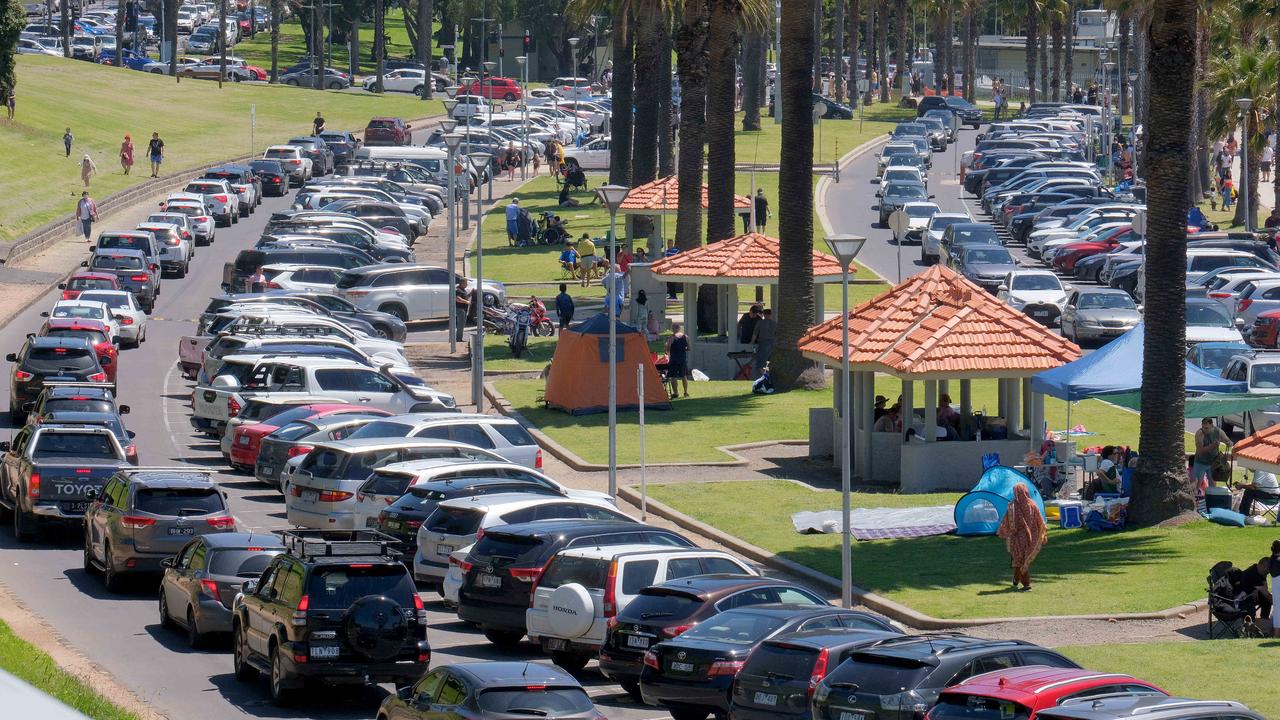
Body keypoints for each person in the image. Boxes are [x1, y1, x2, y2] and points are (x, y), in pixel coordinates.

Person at [997, 484, 1046, 592]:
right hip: (1031, 538)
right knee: (1021, 561)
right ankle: (1016, 579)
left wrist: (1003, 532)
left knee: (1020, 561)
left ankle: (1026, 584)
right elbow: (1040, 521)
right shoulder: (1033, 504)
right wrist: (1041, 534)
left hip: (1017, 539)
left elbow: (1008, 522)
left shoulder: (1013, 506)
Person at [1193, 417, 1232, 489]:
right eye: (1203, 427)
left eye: (1207, 428)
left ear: (1212, 426)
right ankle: (1194, 498)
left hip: (1213, 463)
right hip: (1200, 462)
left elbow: (1227, 440)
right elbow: (1200, 450)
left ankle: (1212, 498)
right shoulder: (1199, 433)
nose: (1204, 430)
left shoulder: (1218, 431)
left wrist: (1228, 443)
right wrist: (1212, 446)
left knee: (1213, 485)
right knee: (1196, 484)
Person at [1232, 556, 1273, 620]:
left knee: (1266, 600)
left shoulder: (1258, 570)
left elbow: (1265, 587)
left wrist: (1256, 589)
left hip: (1249, 593)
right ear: (1261, 565)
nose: (1269, 571)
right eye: (1268, 569)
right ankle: (1249, 626)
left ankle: (1264, 619)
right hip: (1240, 599)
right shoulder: (1253, 574)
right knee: (1251, 608)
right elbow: (1266, 594)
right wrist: (1277, 604)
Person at [750, 308, 776, 379]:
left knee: (761, 363)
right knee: (770, 362)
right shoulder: (774, 324)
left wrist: (752, 342)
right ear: (771, 315)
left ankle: (766, 378)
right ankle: (768, 376)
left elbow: (755, 333)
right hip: (773, 344)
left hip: (763, 344)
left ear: (764, 314)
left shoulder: (760, 322)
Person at [666, 324, 691, 398]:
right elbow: (689, 348)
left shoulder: (672, 338)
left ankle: (676, 393)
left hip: (674, 359)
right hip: (682, 359)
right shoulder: (686, 337)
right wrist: (682, 349)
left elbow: (668, 349)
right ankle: (685, 392)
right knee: (684, 376)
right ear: (679, 328)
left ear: (673, 329)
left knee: (674, 376)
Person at [454, 277, 471, 342]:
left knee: (463, 324)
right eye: (466, 283)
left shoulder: (463, 290)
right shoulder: (458, 290)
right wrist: (466, 302)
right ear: (462, 283)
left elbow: (465, 297)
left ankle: (460, 338)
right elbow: (458, 299)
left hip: (464, 309)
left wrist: (471, 293)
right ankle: (458, 339)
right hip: (460, 309)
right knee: (460, 325)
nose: (467, 284)